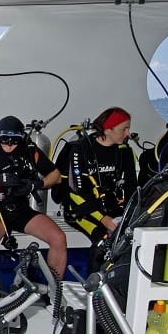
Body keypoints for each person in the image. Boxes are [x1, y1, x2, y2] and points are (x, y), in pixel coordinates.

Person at [0, 115, 67, 277]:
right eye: (4, 139)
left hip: (20, 210)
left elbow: (56, 175)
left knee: (58, 238)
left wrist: (37, 184)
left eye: (14, 140)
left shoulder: (29, 150)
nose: (9, 144)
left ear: (21, 138)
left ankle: (54, 293)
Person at [54, 107, 137, 270]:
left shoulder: (125, 152)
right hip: (81, 210)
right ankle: (94, 291)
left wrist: (130, 216)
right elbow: (76, 194)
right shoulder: (79, 150)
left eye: (128, 128)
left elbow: (131, 188)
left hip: (112, 209)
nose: (128, 133)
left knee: (129, 239)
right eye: (123, 129)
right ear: (108, 129)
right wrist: (104, 219)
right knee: (104, 240)